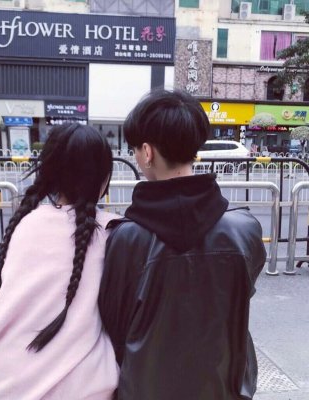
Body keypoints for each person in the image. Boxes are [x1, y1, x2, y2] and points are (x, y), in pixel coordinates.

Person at [98, 89, 267, 400]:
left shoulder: (126, 238)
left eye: (135, 149)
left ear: (147, 152)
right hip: (224, 389)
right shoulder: (245, 230)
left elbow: (114, 326)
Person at [0, 123, 119, 399]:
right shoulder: (114, 231)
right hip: (84, 388)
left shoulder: (22, 224)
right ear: (104, 177)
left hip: (2, 384)